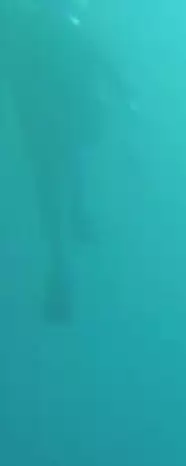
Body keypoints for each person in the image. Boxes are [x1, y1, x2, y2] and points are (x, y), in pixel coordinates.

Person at [1, 0, 132, 322]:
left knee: (49, 185)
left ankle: (63, 255)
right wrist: (128, 98)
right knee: (71, 163)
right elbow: (104, 66)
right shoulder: (62, 31)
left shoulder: (24, 29)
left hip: (43, 129)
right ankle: (76, 215)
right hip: (66, 125)